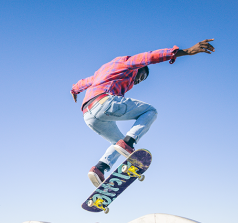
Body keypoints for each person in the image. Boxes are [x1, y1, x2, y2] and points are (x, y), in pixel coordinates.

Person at [71, 39, 215, 187]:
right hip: (104, 102)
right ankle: (129, 142)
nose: (139, 81)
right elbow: (149, 57)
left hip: (88, 114)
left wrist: (74, 90)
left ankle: (99, 169)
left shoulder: (101, 72)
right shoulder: (127, 63)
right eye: (141, 77)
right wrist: (187, 52)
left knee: (116, 143)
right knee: (150, 111)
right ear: (138, 69)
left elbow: (85, 82)